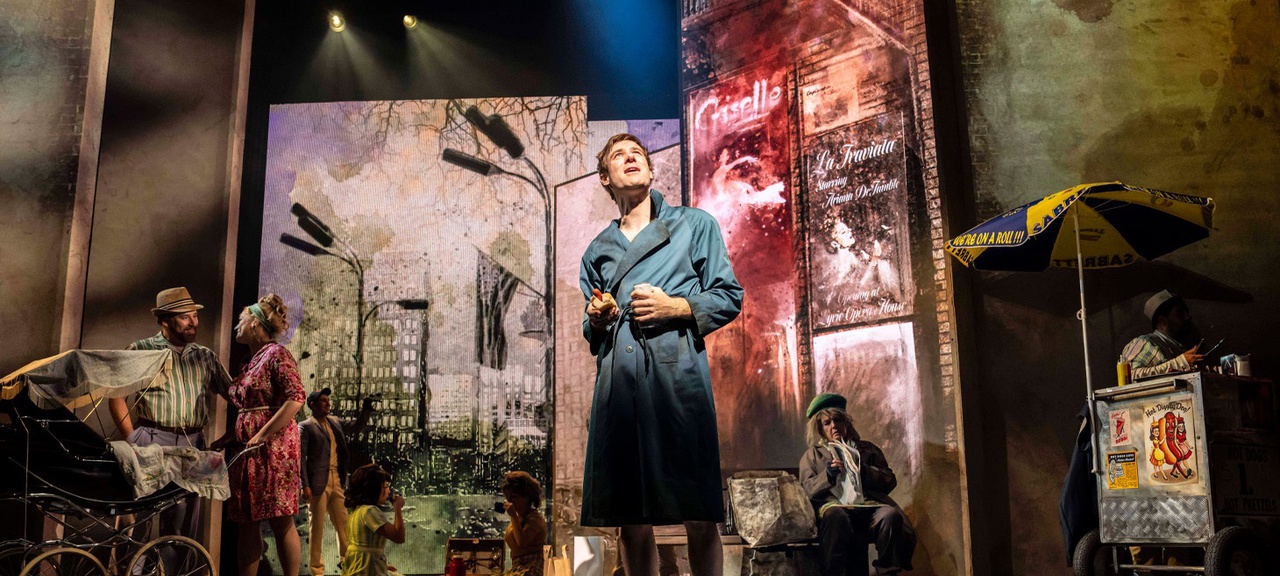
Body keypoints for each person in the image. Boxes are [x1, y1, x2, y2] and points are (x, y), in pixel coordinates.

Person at [579, 133, 744, 576]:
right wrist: (599, 316)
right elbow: (591, 327)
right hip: (620, 384)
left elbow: (728, 295)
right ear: (605, 178)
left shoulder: (693, 225)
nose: (630, 158)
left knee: (698, 510)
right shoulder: (597, 250)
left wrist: (677, 307)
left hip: (677, 379)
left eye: (638, 153)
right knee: (630, 518)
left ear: (651, 171)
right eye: (618, 155)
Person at [109, 286, 233, 540]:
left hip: (191, 444)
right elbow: (116, 397)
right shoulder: (141, 349)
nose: (193, 322)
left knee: (180, 528)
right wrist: (132, 438)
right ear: (164, 320)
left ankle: (174, 561)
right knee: (135, 520)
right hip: (150, 438)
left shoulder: (205, 356)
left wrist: (231, 435)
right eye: (185, 317)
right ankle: (127, 562)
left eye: (195, 316)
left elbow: (237, 396)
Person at [225, 294, 305, 576]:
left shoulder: (276, 355)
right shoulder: (250, 362)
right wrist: (230, 436)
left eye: (241, 319)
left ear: (255, 324)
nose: (237, 324)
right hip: (247, 450)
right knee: (246, 521)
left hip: (273, 449)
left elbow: (296, 398)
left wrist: (262, 434)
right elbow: (247, 407)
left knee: (280, 519)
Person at [799, 394, 915, 576]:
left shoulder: (867, 449)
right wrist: (827, 476)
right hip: (835, 508)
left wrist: (863, 471)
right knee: (836, 516)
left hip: (869, 507)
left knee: (889, 515)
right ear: (820, 429)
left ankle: (888, 572)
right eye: (827, 423)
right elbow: (806, 490)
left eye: (838, 420)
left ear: (846, 423)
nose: (834, 426)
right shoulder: (813, 455)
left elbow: (889, 480)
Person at [300, 388, 375, 576]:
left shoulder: (335, 422)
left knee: (344, 525)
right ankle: (317, 571)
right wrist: (305, 485)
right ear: (312, 405)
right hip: (318, 482)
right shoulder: (306, 426)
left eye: (328, 400)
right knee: (317, 528)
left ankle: (348, 565)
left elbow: (356, 427)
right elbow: (300, 459)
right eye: (323, 400)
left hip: (337, 480)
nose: (327, 403)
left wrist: (366, 409)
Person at [1119, 290, 1204, 380]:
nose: (1188, 317)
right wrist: (1181, 362)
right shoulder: (1147, 343)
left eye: (1187, 312)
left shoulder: (1176, 347)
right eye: (1180, 313)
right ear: (1163, 321)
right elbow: (1130, 376)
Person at [342, 463, 405, 576]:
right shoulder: (370, 511)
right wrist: (397, 508)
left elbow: (364, 549)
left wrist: (383, 566)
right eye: (386, 487)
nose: (389, 491)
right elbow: (399, 537)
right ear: (374, 488)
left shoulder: (357, 511)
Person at [500, 471, 547, 576]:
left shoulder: (535, 518)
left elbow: (522, 541)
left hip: (532, 567)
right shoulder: (519, 518)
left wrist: (513, 516)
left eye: (514, 497)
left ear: (526, 497)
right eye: (508, 497)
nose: (510, 501)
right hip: (518, 567)